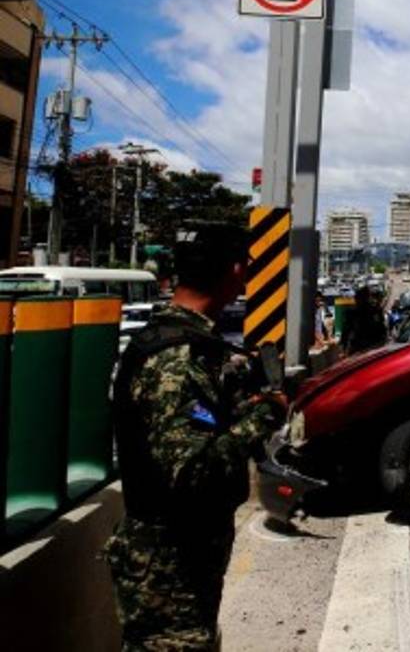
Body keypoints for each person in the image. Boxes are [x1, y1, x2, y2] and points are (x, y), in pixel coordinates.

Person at [105, 221, 285, 650]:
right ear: (235, 271)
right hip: (170, 568)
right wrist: (263, 417)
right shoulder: (177, 358)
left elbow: (190, 431)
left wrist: (240, 405)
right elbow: (190, 469)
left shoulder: (173, 339)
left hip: (178, 561)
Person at [342, 284, 388, 355]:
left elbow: (346, 332)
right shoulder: (374, 310)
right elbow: (346, 332)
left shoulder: (374, 310)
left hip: (369, 346)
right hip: (364, 347)